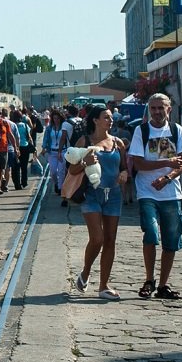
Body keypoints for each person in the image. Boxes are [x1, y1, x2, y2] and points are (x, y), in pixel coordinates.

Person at [127, 92, 182, 300]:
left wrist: (168, 177)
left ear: (168, 109)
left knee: (171, 240)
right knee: (151, 233)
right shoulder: (142, 131)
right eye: (153, 108)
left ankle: (163, 284)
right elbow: (138, 163)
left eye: (160, 108)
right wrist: (165, 164)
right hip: (147, 191)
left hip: (171, 194)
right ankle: (149, 279)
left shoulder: (176, 130)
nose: (156, 112)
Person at [71, 105, 130, 300]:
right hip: (91, 195)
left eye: (111, 117)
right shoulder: (85, 141)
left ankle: (103, 285)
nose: (110, 120)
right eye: (106, 117)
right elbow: (71, 171)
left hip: (113, 195)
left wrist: (123, 174)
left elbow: (124, 168)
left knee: (110, 240)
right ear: (95, 120)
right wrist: (84, 163)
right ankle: (86, 272)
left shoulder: (118, 143)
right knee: (97, 238)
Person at [41, 107, 66, 193]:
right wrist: (44, 148)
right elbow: (45, 139)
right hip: (52, 152)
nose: (56, 120)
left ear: (61, 118)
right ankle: (56, 183)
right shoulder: (49, 128)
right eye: (54, 118)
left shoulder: (64, 127)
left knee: (61, 172)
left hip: (63, 151)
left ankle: (60, 188)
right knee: (53, 172)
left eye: (58, 118)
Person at [11, 109, 35, 189]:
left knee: (15, 167)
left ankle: (17, 184)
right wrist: (32, 145)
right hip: (25, 147)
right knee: (24, 166)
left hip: (15, 147)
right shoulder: (25, 125)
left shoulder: (12, 126)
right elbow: (29, 136)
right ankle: (24, 182)